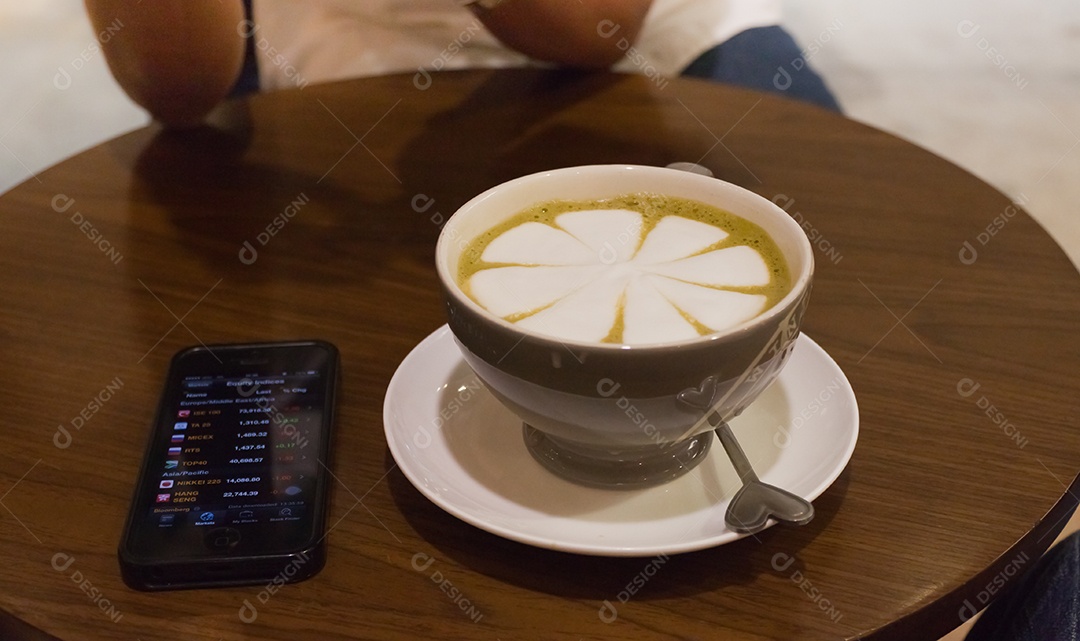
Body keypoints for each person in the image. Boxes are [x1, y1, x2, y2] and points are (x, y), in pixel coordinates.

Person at [84, 0, 840, 128]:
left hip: (664, 34)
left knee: (837, 296)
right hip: (326, 37)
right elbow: (174, 92)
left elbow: (598, 30)